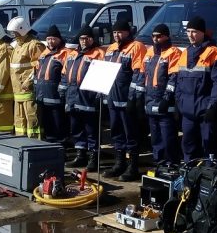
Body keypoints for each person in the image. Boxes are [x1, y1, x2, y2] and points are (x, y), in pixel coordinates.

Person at [170, 16, 217, 162]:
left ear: (203, 32)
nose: (190, 35)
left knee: (209, 146)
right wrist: (178, 103)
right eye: (188, 31)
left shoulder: (215, 53)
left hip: (205, 112)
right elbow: (178, 82)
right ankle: (189, 172)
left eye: (194, 31)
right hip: (187, 112)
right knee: (187, 145)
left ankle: (209, 172)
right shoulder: (185, 53)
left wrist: (213, 107)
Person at [103, 19, 147, 181]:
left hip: (127, 100)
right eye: (114, 32)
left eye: (120, 32)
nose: (116, 35)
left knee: (131, 134)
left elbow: (139, 74)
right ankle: (119, 163)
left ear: (128, 32)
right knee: (116, 133)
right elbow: (104, 71)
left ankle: (132, 166)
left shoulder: (136, 47)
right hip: (113, 98)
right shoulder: (111, 48)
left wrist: (132, 98)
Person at [62, 26, 105, 171]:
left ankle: (94, 157)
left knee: (91, 130)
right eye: (82, 38)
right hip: (73, 98)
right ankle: (80, 155)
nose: (84, 41)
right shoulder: (72, 54)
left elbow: (103, 76)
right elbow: (65, 74)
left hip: (88, 99)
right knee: (76, 128)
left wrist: (98, 96)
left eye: (87, 38)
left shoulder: (98, 53)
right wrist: (64, 92)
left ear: (92, 39)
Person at [139, 23, 182, 166]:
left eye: (159, 36)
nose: (155, 39)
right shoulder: (149, 53)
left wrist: (167, 98)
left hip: (164, 104)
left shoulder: (173, 52)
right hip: (150, 102)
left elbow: (174, 78)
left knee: (168, 137)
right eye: (153, 36)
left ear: (166, 37)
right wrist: (139, 97)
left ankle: (171, 164)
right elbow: (143, 75)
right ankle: (159, 163)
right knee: (155, 138)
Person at [7, 17, 45, 138]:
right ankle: (20, 142)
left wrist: (29, 82)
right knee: (19, 120)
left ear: (22, 29)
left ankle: (35, 142)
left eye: (15, 32)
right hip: (17, 90)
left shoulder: (34, 45)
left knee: (32, 119)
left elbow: (39, 66)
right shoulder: (17, 45)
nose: (13, 35)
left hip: (28, 90)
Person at [34, 25, 70, 143]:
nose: (50, 41)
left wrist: (62, 91)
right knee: (47, 123)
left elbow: (66, 74)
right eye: (48, 39)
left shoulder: (65, 53)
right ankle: (49, 143)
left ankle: (60, 145)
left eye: (53, 39)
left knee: (58, 122)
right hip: (42, 95)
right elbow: (37, 71)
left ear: (59, 39)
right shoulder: (44, 53)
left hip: (56, 96)